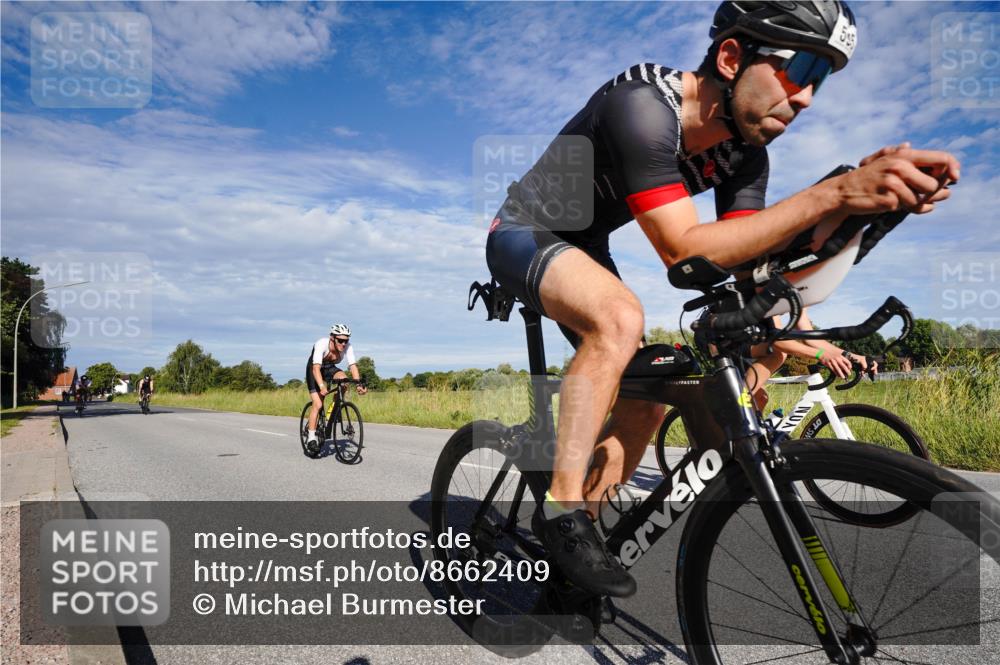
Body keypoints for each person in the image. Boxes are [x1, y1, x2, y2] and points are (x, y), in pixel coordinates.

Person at [484, 0, 958, 598]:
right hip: (526, 232)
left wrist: (854, 210)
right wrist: (831, 191)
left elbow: (744, 262)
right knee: (620, 318)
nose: (809, 96)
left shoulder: (745, 155)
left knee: (651, 394)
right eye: (802, 69)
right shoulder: (641, 104)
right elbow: (684, 250)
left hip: (588, 243)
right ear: (732, 57)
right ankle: (560, 511)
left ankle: (572, 572)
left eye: (822, 80)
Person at [304, 324, 368, 452]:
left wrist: (359, 384)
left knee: (344, 381)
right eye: (340, 340)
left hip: (329, 368)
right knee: (318, 403)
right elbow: (316, 368)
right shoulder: (322, 344)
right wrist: (321, 386)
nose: (343, 343)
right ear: (332, 338)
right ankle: (311, 438)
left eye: (346, 340)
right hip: (314, 369)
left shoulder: (347, 347)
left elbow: (353, 366)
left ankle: (334, 409)